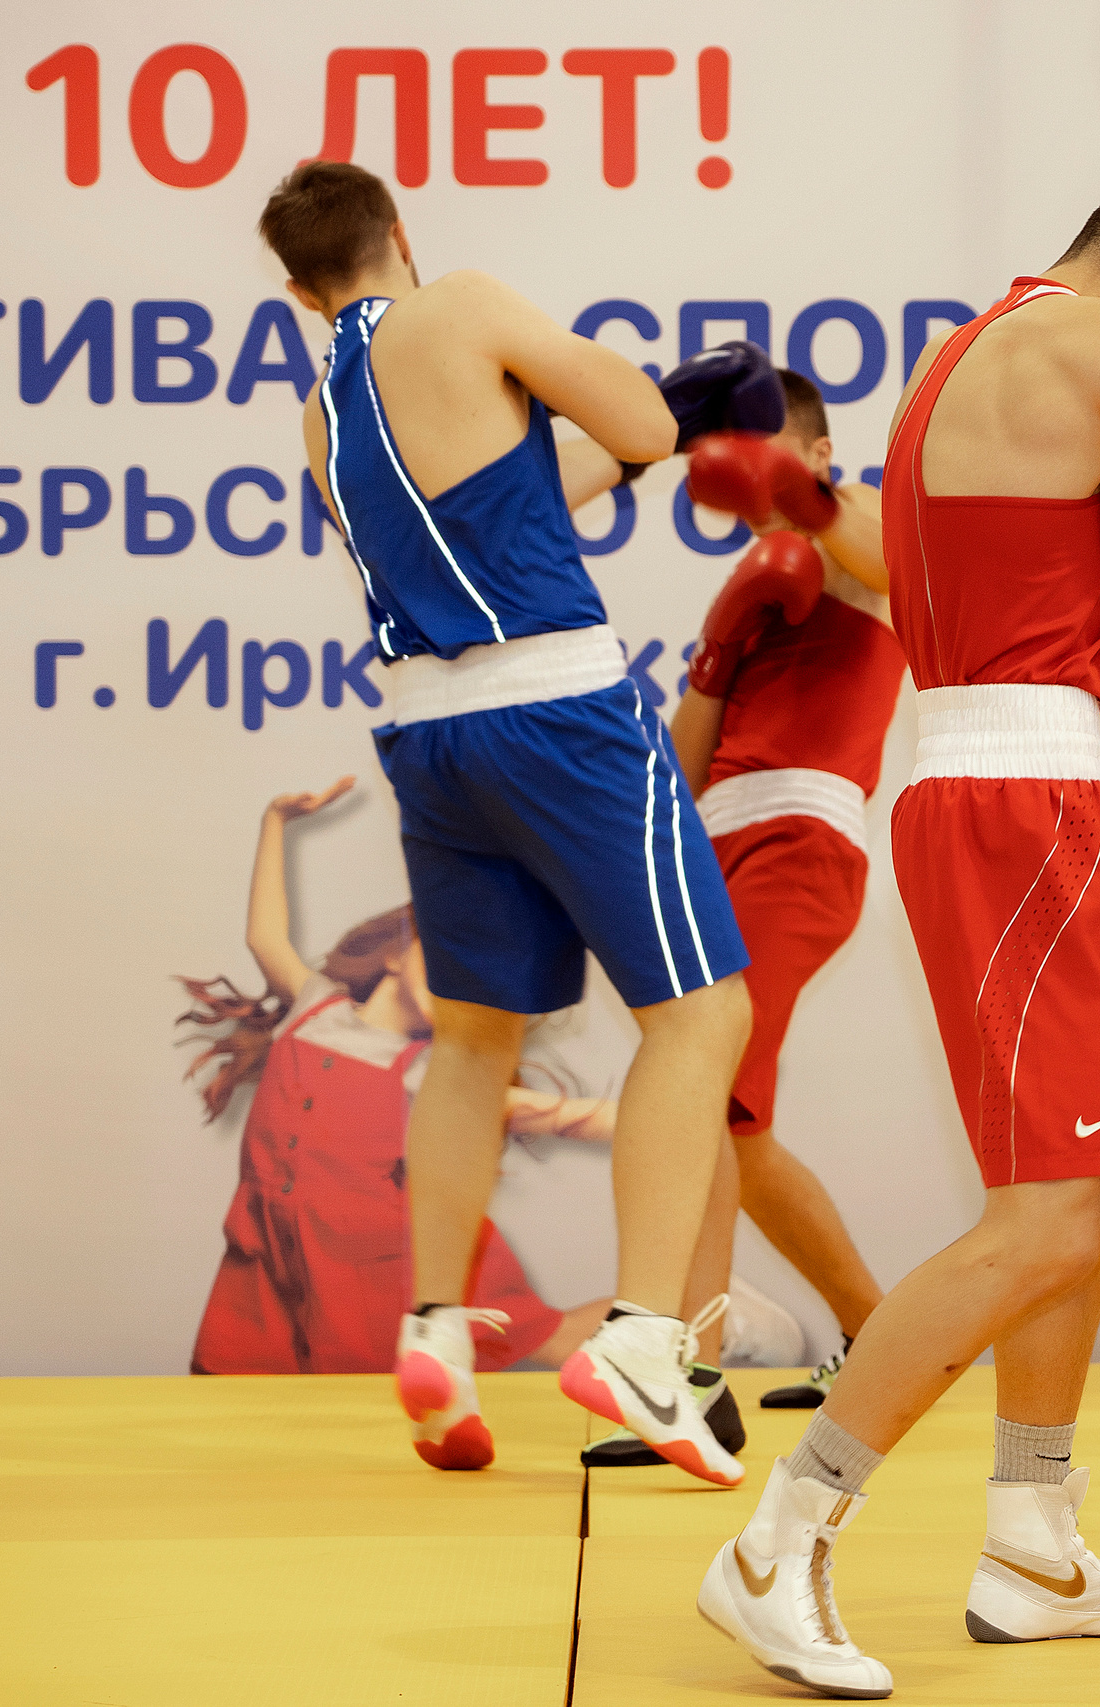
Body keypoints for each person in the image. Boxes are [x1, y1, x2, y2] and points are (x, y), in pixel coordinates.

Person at [693, 176, 1100, 1698]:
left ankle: (1034, 1540)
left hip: (1020, 788)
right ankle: (779, 1537)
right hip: (1018, 797)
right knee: (1044, 1215)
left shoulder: (957, 356)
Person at [261, 159, 758, 1482]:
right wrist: (677, 408)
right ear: (400, 231)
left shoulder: (322, 412)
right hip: (559, 709)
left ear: (302, 292)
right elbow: (638, 421)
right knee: (702, 1015)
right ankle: (642, 1339)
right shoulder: (464, 303)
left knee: (475, 1040)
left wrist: (652, 432)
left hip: (433, 732)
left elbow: (511, 500)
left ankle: (434, 1332)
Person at [557, 373, 901, 1469]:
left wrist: (802, 498)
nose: (743, 472)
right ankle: (870, 1337)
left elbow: (892, 562)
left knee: (708, 1102)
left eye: (768, 450)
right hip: (718, 843)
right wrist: (715, 648)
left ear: (817, 450)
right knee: (724, 1119)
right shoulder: (756, 576)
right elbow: (689, 764)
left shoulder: (857, 530)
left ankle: (693, 1380)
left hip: (803, 844)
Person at [182, 775, 605, 1377]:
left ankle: (698, 1311)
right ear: (394, 951)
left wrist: (683, 1111)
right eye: (447, 955)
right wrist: (275, 821)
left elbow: (570, 1118)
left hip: (377, 1269)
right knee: (237, 1381)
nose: (457, 980)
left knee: (552, 1340)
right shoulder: (315, 1007)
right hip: (270, 1258)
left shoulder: (433, 1075)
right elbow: (264, 937)